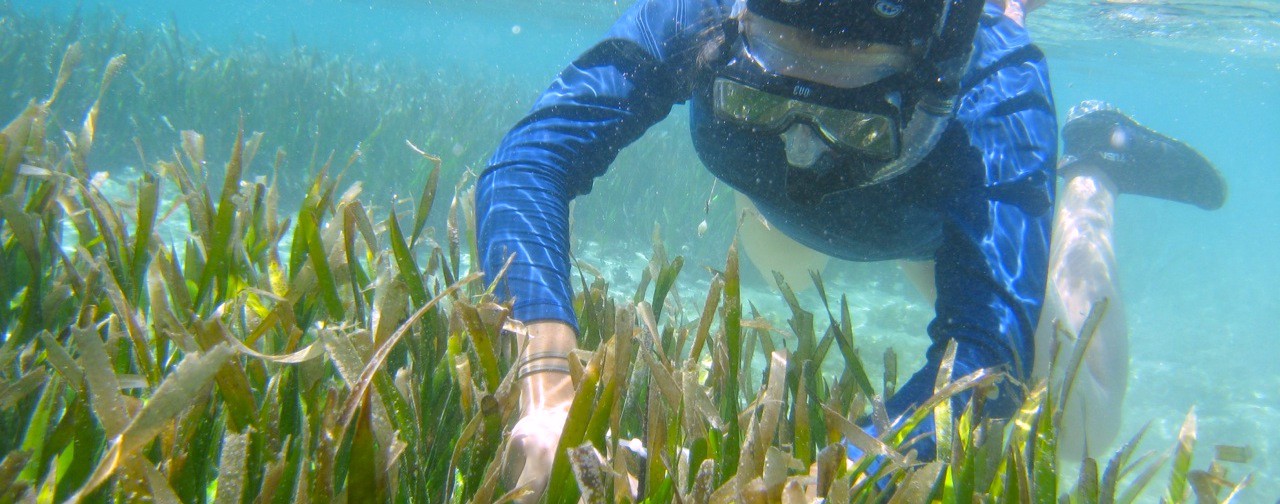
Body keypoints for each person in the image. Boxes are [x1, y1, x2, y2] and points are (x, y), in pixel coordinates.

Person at [473, 0, 1227, 498]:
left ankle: (1096, 164)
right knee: (782, 272)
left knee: (1077, 423)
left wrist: (820, 484)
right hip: (785, 224)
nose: (801, 152)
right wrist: (545, 389)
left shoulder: (998, 81)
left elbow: (982, 359)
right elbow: (532, 159)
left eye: (853, 125)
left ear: (935, 83)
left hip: (930, 219)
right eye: (761, 102)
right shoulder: (703, 12)